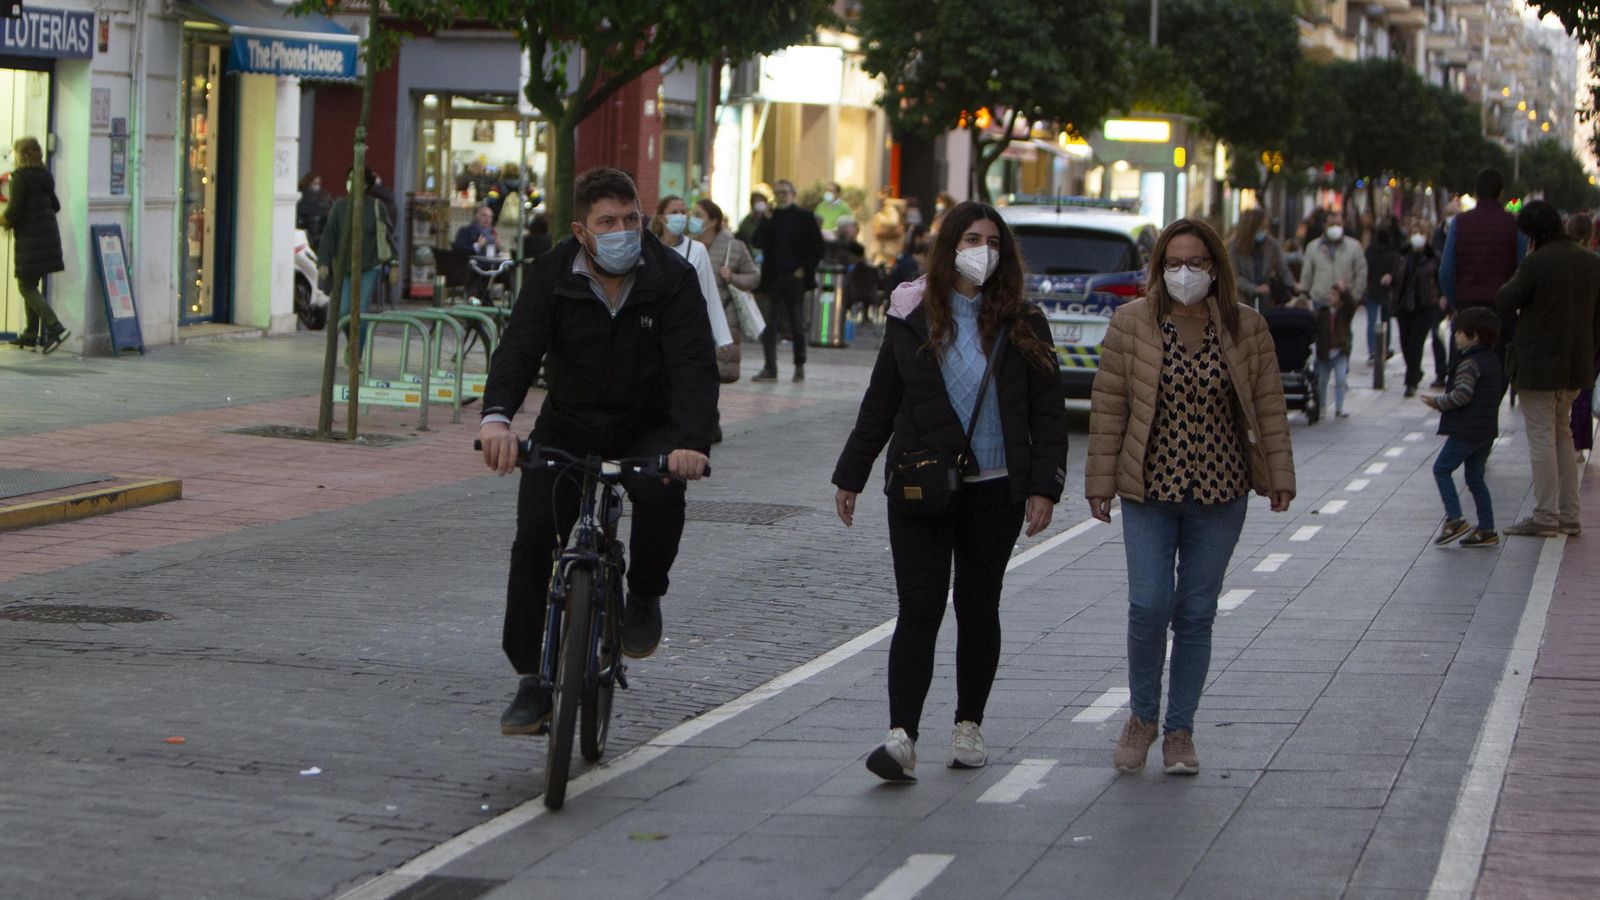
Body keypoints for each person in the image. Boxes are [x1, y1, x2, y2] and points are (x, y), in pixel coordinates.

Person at [832, 200, 1069, 780]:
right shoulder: (912, 312)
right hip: (920, 486)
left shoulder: (1024, 321)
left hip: (996, 490)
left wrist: (1045, 488)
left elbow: (1048, 412)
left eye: (991, 240)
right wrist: (851, 473)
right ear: (948, 247)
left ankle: (968, 725)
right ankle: (901, 736)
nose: (981, 250)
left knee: (977, 605)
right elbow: (881, 400)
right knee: (919, 607)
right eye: (970, 238)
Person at [477, 167, 717, 735]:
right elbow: (518, 348)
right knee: (535, 534)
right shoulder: (552, 272)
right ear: (582, 231)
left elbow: (693, 365)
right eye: (608, 222)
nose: (623, 231)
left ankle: (645, 595)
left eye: (631, 219)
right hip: (570, 424)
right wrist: (496, 420)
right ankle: (532, 679)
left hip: (648, 426)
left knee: (661, 494)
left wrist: (691, 442)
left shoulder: (673, 277)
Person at [1087, 218, 1295, 776]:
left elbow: (1269, 405)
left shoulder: (1245, 326)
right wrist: (1099, 485)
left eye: (1196, 262)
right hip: (1149, 490)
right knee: (1149, 605)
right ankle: (1142, 716)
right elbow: (1109, 408)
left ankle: (1180, 731)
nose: (1185, 272)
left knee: (1197, 612)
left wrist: (1279, 476)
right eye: (1173, 262)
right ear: (1158, 268)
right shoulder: (1131, 323)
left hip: (1221, 492)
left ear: (1215, 267)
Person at [1495, 200, 1600, 538]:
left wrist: (1525, 262)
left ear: (1532, 234)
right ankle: (1569, 514)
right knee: (1562, 434)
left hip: (1540, 365)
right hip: (1576, 363)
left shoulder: (1537, 263)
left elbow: (1505, 299)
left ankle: (1545, 516)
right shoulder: (1589, 261)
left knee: (1542, 437)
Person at [1422, 306, 1503, 549]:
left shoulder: (1469, 363)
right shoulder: (1493, 360)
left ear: (1474, 335)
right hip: (1486, 430)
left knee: (1441, 469)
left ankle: (1455, 519)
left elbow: (1463, 395)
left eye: (1458, 332)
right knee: (1475, 478)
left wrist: (1438, 403)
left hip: (1466, 430)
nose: (1455, 336)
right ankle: (1487, 528)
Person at [652, 194, 734, 422]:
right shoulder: (649, 247)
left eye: (683, 211)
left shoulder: (696, 250)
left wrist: (722, 335)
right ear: (662, 216)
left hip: (685, 327)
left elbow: (708, 293)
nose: (680, 216)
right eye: (674, 211)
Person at [1440, 169, 1525, 365]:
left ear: (1476, 192)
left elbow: (1446, 270)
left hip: (1467, 307)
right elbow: (1522, 269)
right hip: (1501, 311)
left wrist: (1457, 303)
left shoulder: (1460, 223)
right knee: (1497, 368)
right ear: (1501, 192)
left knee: (1462, 369)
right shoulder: (1513, 225)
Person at [751, 179, 824, 383]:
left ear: (793, 194)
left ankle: (799, 365)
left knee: (796, 322)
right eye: (777, 193)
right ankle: (769, 366)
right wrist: (764, 221)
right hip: (772, 277)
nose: (781, 196)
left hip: (795, 277)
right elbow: (757, 241)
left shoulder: (804, 217)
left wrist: (805, 269)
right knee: (769, 324)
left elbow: (817, 247)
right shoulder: (770, 217)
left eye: (784, 192)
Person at [319, 166, 394, 357]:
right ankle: (353, 343)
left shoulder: (376, 207)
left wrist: (395, 262)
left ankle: (355, 354)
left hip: (369, 265)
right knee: (344, 311)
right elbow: (329, 234)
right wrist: (324, 261)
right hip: (344, 267)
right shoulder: (339, 206)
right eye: (350, 177)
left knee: (359, 311)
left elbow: (386, 236)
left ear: (366, 184)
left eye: (357, 179)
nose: (352, 182)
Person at [1, 136, 66, 353]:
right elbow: (55, 206)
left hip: (31, 240)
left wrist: (4, 219)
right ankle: (30, 334)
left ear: (22, 154)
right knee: (31, 283)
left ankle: (55, 326)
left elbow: (13, 210)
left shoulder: (20, 177)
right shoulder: (44, 175)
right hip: (48, 239)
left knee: (26, 286)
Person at [1300, 210, 1365, 418]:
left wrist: (1352, 296)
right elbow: (1307, 274)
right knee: (1323, 342)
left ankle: (1340, 374)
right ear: (1325, 225)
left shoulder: (1353, 247)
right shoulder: (1313, 247)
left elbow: (1361, 272)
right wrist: (1305, 295)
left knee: (1343, 335)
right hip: (1320, 302)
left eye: (1338, 221)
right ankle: (1321, 400)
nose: (1335, 225)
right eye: (1331, 222)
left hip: (1345, 304)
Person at [693, 198, 760, 387]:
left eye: (698, 215)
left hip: (723, 316)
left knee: (714, 375)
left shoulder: (734, 247)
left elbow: (754, 277)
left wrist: (732, 278)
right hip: (692, 317)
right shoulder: (688, 244)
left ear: (713, 221)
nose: (692, 219)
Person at [1391, 226, 1441, 397]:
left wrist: (1442, 297)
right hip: (1404, 306)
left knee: (1415, 343)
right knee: (1405, 343)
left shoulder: (1433, 256)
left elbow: (1439, 279)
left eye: (1421, 233)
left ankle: (1410, 382)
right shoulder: (1402, 255)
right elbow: (1394, 277)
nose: (1417, 236)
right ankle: (1415, 371)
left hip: (1425, 305)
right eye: (1414, 233)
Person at [1565, 214, 1598, 465]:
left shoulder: (1572, 261)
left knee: (1582, 388)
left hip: (1584, 332)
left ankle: (1578, 442)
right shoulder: (1591, 260)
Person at [1229, 208, 1294, 312]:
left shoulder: (1272, 245)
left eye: (1265, 227)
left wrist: (1292, 285)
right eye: (1261, 228)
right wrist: (1254, 289)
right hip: (1241, 301)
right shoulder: (1234, 247)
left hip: (1265, 302)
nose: (1264, 231)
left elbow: (1282, 268)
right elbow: (1234, 276)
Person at [1362, 220, 1402, 363]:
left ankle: (1373, 349)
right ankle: (1384, 349)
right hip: (1386, 291)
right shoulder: (1392, 253)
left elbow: (1364, 270)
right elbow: (1397, 271)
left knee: (1372, 321)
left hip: (1371, 290)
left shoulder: (1369, 251)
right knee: (1386, 321)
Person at [870, 192, 907, 267]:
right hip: (885, 249)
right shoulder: (896, 215)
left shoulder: (891, 211)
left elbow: (893, 221)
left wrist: (880, 216)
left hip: (887, 250)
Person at [296, 172, 331, 249]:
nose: (317, 186)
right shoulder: (302, 194)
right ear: (308, 183)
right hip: (307, 227)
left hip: (320, 229)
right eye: (314, 183)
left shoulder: (323, 194)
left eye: (318, 183)